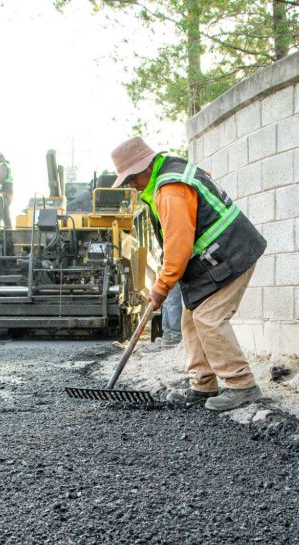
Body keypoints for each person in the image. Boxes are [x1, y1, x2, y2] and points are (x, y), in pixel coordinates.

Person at [111, 136, 266, 411]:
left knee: (209, 318)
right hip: (215, 257)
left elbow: (178, 246)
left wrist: (162, 285)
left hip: (233, 252)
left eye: (132, 178)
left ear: (146, 166)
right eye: (127, 181)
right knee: (191, 319)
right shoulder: (168, 173)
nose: (131, 185)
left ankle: (242, 385)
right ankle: (203, 385)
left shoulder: (171, 190)